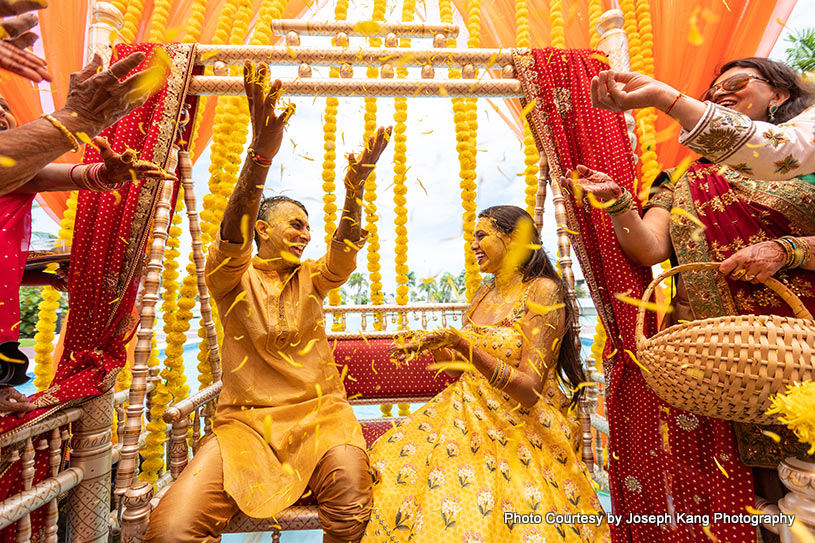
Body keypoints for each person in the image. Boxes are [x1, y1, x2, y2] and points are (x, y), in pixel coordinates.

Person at [145, 62, 391, 543]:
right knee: (170, 530)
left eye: (307, 227)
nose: (305, 235)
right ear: (262, 229)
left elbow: (342, 251)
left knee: (353, 507)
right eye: (294, 224)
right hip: (245, 427)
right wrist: (258, 155)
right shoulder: (229, 278)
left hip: (323, 421)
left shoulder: (313, 280)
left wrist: (355, 191)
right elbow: (231, 233)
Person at [573, 57, 815, 542]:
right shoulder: (684, 177)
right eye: (714, 89)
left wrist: (785, 250)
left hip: (800, 348)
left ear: (781, 94)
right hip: (720, 364)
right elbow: (650, 247)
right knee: (752, 499)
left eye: (737, 84)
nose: (721, 92)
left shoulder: (803, 156)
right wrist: (618, 201)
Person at [361, 206, 609, 543]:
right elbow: (460, 367)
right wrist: (433, 346)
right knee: (391, 477)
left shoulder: (543, 292)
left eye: (481, 236)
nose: (473, 245)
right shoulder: (483, 292)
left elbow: (528, 391)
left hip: (522, 427)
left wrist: (462, 344)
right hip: (463, 414)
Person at [0, 51, 171, 414]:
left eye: (4, 106)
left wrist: (108, 176)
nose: (1, 112)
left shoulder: (22, 172)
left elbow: (72, 176)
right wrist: (81, 118)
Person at [591, 58, 815, 182]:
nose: (717, 95)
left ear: (777, 95)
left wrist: (664, 96)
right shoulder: (695, 178)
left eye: (736, 83)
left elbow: (779, 152)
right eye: (710, 94)